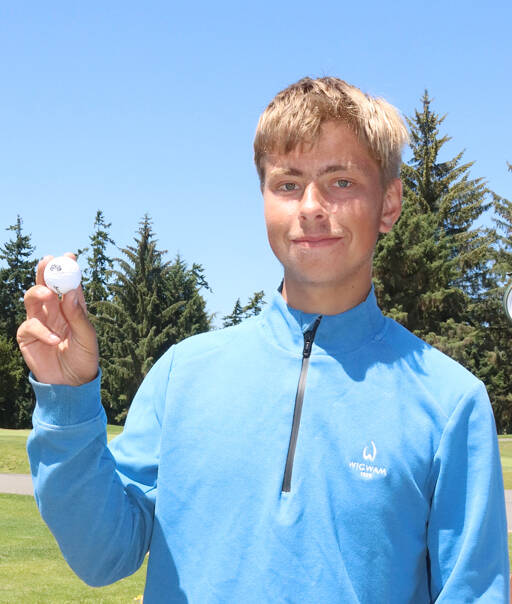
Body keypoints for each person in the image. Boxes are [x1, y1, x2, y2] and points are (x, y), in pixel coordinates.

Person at [18, 77, 509, 603]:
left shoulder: (450, 403)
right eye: (288, 184)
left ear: (388, 203)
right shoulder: (184, 374)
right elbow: (102, 554)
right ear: (264, 199)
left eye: (341, 181)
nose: (311, 206)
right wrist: (67, 402)